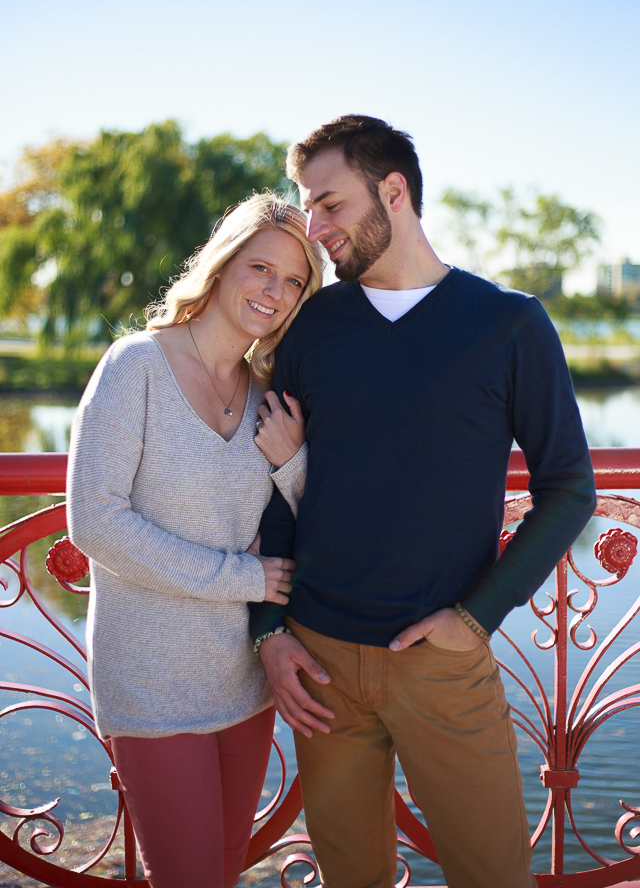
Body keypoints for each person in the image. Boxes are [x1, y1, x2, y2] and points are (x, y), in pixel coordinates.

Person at [249, 116, 597, 888]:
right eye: (309, 206)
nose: (316, 229)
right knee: (353, 877)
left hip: (444, 664)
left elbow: (569, 488)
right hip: (321, 665)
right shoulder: (311, 329)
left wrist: (478, 617)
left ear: (394, 192)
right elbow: (276, 486)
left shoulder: (509, 324)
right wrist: (269, 631)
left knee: (494, 874)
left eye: (331, 204)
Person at [67, 193, 323, 888]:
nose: (275, 291)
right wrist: (240, 579)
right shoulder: (135, 367)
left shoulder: (269, 391)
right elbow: (93, 520)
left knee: (221, 873)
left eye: (294, 280)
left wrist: (294, 461)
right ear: (221, 264)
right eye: (260, 268)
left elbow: (308, 522)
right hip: (151, 681)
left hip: (244, 681)